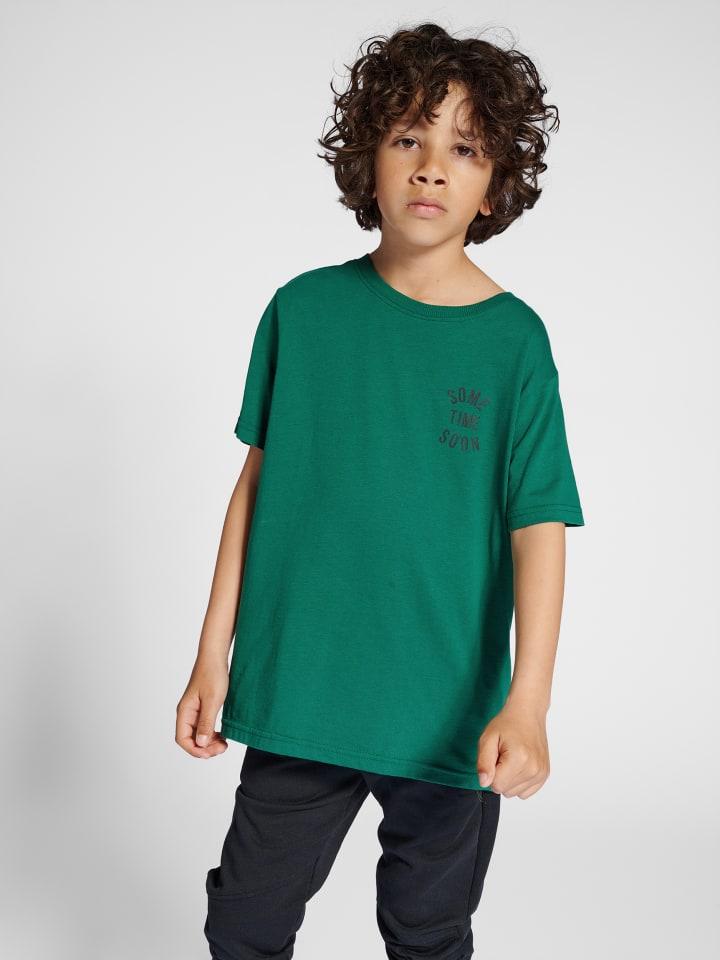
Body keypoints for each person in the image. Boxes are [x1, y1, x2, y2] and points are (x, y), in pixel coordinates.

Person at [176, 21, 585, 960]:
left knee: (427, 932)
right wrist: (210, 655)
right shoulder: (303, 311)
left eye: (465, 148)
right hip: (301, 690)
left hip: (449, 715)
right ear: (368, 159)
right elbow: (255, 491)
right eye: (408, 137)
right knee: (244, 920)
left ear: (496, 183)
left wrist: (528, 701)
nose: (432, 167)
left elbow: (539, 524)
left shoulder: (514, 343)